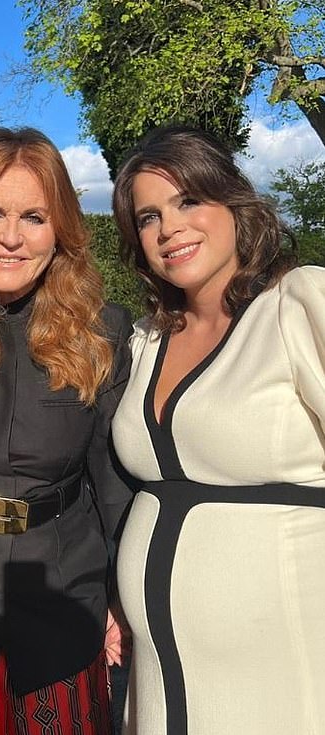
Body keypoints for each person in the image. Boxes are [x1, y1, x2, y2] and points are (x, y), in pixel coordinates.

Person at [0, 126, 133, 734]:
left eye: (34, 216)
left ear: (60, 228)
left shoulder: (103, 331)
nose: (11, 237)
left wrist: (123, 595)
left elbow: (114, 482)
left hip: (64, 586)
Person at [110, 125, 325, 735]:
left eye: (188, 201)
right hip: (157, 683)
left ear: (233, 202)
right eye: (148, 216)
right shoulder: (148, 340)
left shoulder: (298, 306)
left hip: (281, 669)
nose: (169, 228)